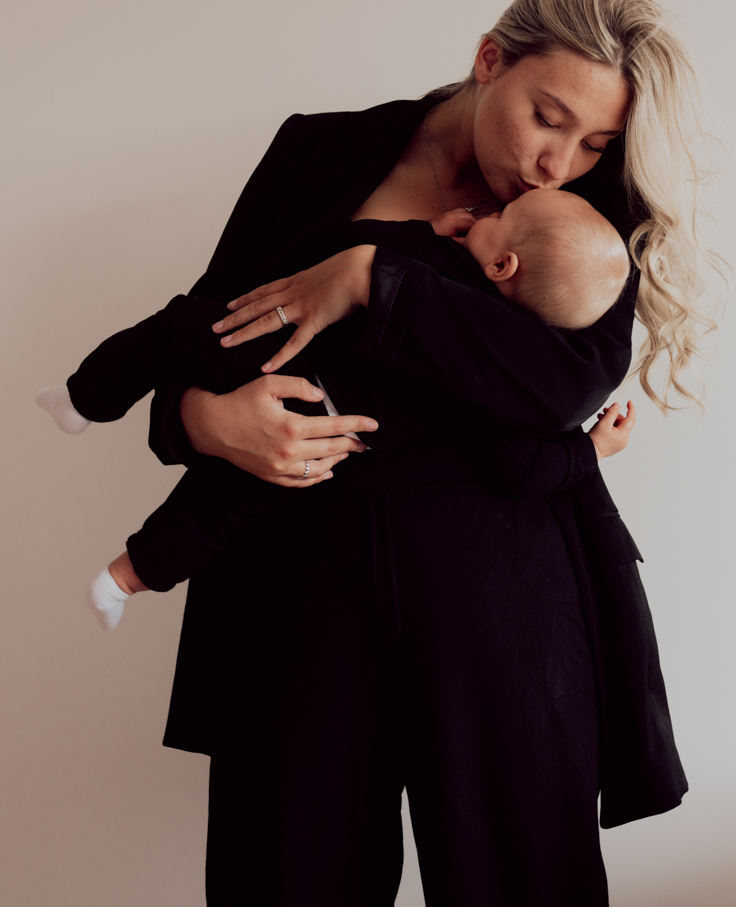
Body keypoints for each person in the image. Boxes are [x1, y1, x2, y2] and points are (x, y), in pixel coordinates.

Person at [101, 0, 718, 905]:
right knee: (283, 881)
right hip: (292, 583)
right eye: (547, 118)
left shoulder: (594, 205)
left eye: (593, 142)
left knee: (524, 881)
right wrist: (205, 420)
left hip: (502, 591)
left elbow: (564, 383)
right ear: (489, 59)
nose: (556, 164)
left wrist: (371, 280)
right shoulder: (318, 151)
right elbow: (208, 329)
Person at [38, 189, 635, 628]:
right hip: (324, 438)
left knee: (172, 329)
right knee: (224, 506)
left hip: (274, 358)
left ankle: (83, 399)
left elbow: (339, 254)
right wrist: (589, 450)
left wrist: (424, 229)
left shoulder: (442, 265)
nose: (488, 214)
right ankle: (122, 580)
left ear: (502, 265)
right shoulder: (506, 387)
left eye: (500, 218)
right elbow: (517, 467)